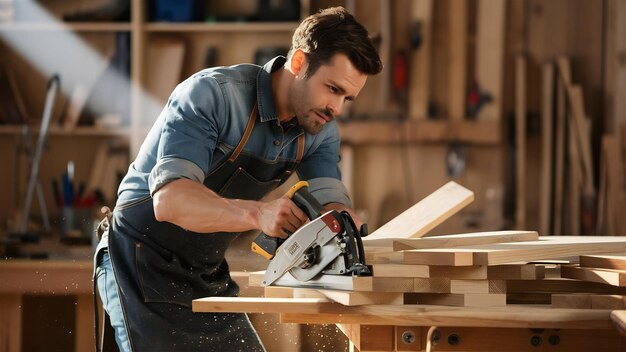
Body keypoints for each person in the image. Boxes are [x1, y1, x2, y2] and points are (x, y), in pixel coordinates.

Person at [94, 6, 382, 352]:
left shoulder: (319, 131)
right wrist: (257, 214)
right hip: (140, 261)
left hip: (205, 270)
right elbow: (170, 201)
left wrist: (343, 223)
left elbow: (330, 205)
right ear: (299, 63)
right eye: (333, 89)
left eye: (346, 98)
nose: (336, 108)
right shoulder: (211, 96)